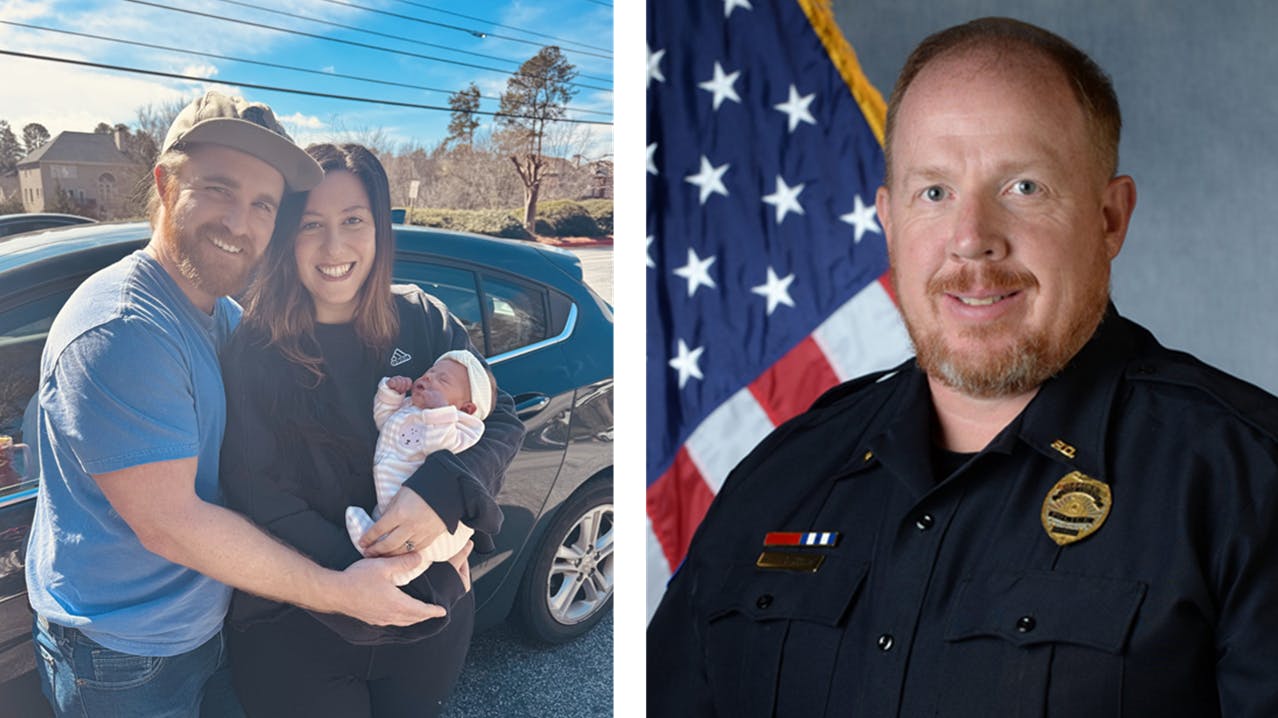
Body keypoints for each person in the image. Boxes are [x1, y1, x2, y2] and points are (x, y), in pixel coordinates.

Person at [647, 17, 1278, 717]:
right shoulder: (779, 475)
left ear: (1109, 218)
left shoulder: (1247, 482)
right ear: (888, 222)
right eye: (935, 193)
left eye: (1024, 187)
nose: (972, 241)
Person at [26, 91, 447, 718]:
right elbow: (174, 522)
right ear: (166, 186)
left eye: (263, 205)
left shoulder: (224, 318)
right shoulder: (123, 329)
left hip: (210, 623)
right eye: (219, 189)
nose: (240, 222)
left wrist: (447, 509)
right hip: (125, 656)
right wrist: (339, 591)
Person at [218, 142, 523, 718]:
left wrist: (442, 494)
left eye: (353, 220)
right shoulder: (253, 349)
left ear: (380, 227)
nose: (334, 246)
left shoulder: (424, 318)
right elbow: (258, 494)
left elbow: (500, 416)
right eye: (312, 224)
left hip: (428, 621)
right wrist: (369, 579)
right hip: (297, 630)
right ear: (287, 235)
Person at [346, 349, 498, 562]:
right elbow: (384, 422)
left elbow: (439, 449)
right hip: (390, 488)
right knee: (387, 520)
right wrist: (391, 394)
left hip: (422, 507)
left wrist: (438, 413)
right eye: (431, 371)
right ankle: (376, 543)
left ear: (467, 408)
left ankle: (384, 557)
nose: (428, 377)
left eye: (442, 380)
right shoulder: (409, 408)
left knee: (414, 549)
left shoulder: (458, 426)